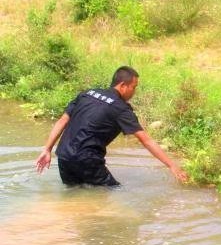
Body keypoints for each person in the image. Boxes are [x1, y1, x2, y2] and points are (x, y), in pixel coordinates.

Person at [35, 66, 188, 186]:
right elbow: (146, 140)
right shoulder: (121, 108)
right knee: (111, 194)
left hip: (64, 156)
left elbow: (62, 121)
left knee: (73, 193)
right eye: (133, 87)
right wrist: (171, 165)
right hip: (87, 159)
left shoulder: (87, 93)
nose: (134, 92)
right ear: (123, 85)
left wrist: (47, 149)